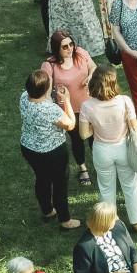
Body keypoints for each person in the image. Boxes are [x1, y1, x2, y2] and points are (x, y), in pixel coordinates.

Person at [79, 66, 137, 231]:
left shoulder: (87, 106)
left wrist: (97, 127)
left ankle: (109, 223)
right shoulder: (124, 101)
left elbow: (83, 135)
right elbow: (134, 129)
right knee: (130, 185)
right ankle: (136, 221)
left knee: (106, 188)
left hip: (102, 151)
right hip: (123, 148)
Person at [18, 68, 80, 229]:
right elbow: (71, 124)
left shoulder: (24, 97)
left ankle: (47, 210)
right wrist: (66, 100)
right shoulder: (50, 110)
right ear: (45, 90)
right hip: (52, 153)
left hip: (29, 148)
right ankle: (65, 220)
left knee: (42, 178)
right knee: (60, 184)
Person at [43, 30, 95, 186]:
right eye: (64, 46)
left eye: (71, 44)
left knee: (95, 137)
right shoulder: (49, 65)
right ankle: (83, 168)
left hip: (90, 104)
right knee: (77, 139)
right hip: (70, 109)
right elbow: (46, 92)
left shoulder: (80, 53)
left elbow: (93, 67)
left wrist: (90, 76)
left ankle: (100, 163)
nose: (70, 48)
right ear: (56, 48)